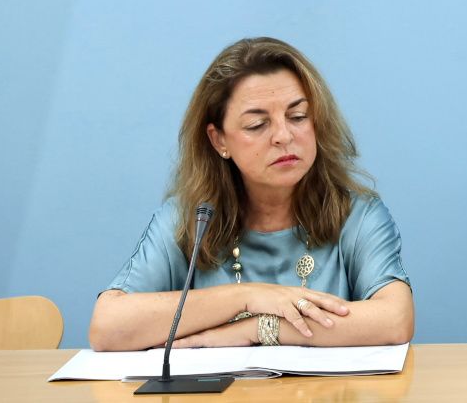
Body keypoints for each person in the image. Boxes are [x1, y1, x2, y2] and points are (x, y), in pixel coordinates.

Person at [89, 37, 414, 350]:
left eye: (298, 116)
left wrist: (256, 328)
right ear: (220, 141)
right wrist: (246, 298)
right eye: (257, 125)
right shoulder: (187, 219)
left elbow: (395, 319)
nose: (284, 136)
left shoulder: (358, 214)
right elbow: (107, 327)